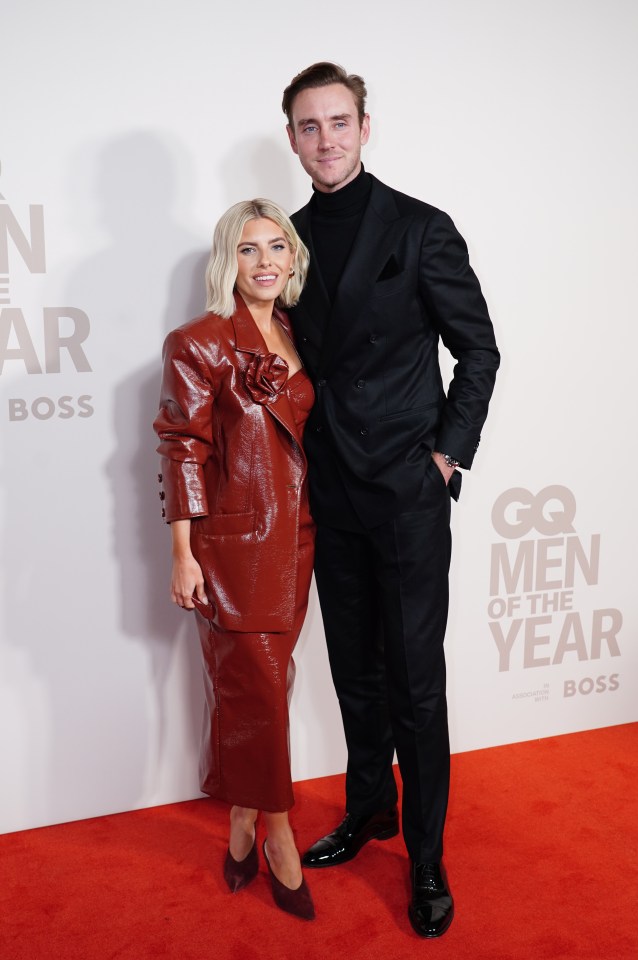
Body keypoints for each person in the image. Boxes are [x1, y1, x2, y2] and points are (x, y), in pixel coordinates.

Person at [281, 62, 500, 938]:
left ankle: (428, 855)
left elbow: (478, 351)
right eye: (309, 126)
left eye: (339, 122)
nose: (326, 139)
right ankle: (368, 806)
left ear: (366, 128)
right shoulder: (286, 239)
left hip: (408, 490)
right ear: (291, 137)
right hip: (328, 489)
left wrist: (447, 455)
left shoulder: (420, 227)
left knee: (416, 684)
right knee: (355, 674)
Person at [153, 199, 316, 921]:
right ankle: (277, 831)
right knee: (254, 689)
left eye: (277, 247)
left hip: (300, 540)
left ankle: (242, 819)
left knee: (266, 691)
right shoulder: (199, 342)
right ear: (228, 261)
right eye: (248, 250)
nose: (266, 262)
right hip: (232, 548)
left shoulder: (293, 330)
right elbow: (182, 448)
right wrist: (183, 554)